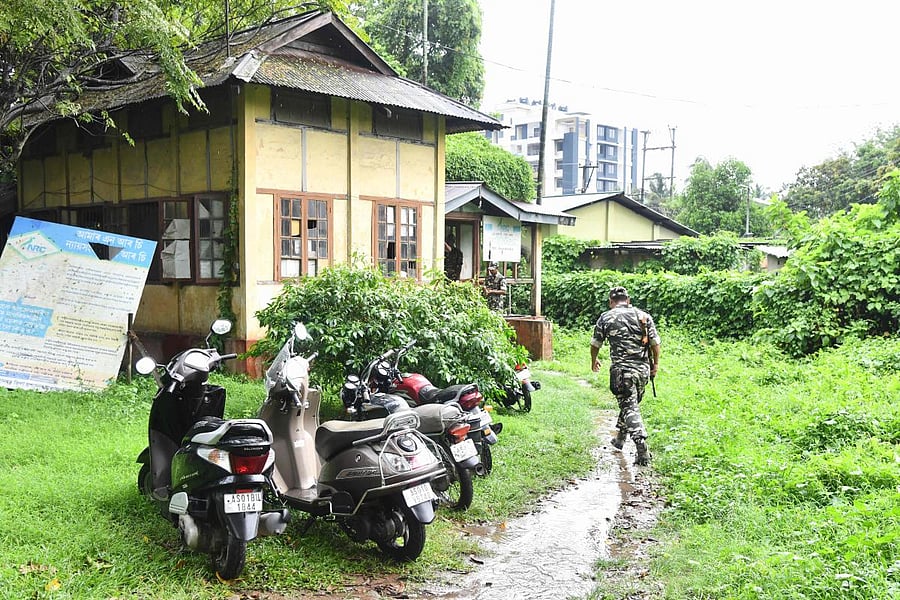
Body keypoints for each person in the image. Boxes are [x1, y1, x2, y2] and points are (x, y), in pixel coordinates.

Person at [590, 286, 660, 466]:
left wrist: (594, 360)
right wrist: (655, 365)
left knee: (629, 407)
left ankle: (641, 447)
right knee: (630, 404)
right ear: (628, 300)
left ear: (611, 302)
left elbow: (595, 343)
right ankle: (620, 439)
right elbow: (655, 344)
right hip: (643, 371)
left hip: (622, 373)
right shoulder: (643, 316)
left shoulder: (606, 317)